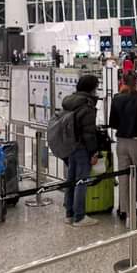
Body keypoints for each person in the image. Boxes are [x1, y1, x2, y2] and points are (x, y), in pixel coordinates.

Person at [109, 71, 137, 223]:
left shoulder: (116, 98)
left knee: (123, 177)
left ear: (123, 82)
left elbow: (112, 122)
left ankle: (125, 211)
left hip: (121, 141)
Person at [61, 75, 102, 227]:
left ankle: (69, 214)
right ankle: (79, 217)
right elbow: (89, 133)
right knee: (81, 181)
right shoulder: (87, 105)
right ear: (91, 88)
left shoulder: (70, 101)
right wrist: (94, 152)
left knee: (71, 179)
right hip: (82, 147)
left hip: (70, 145)